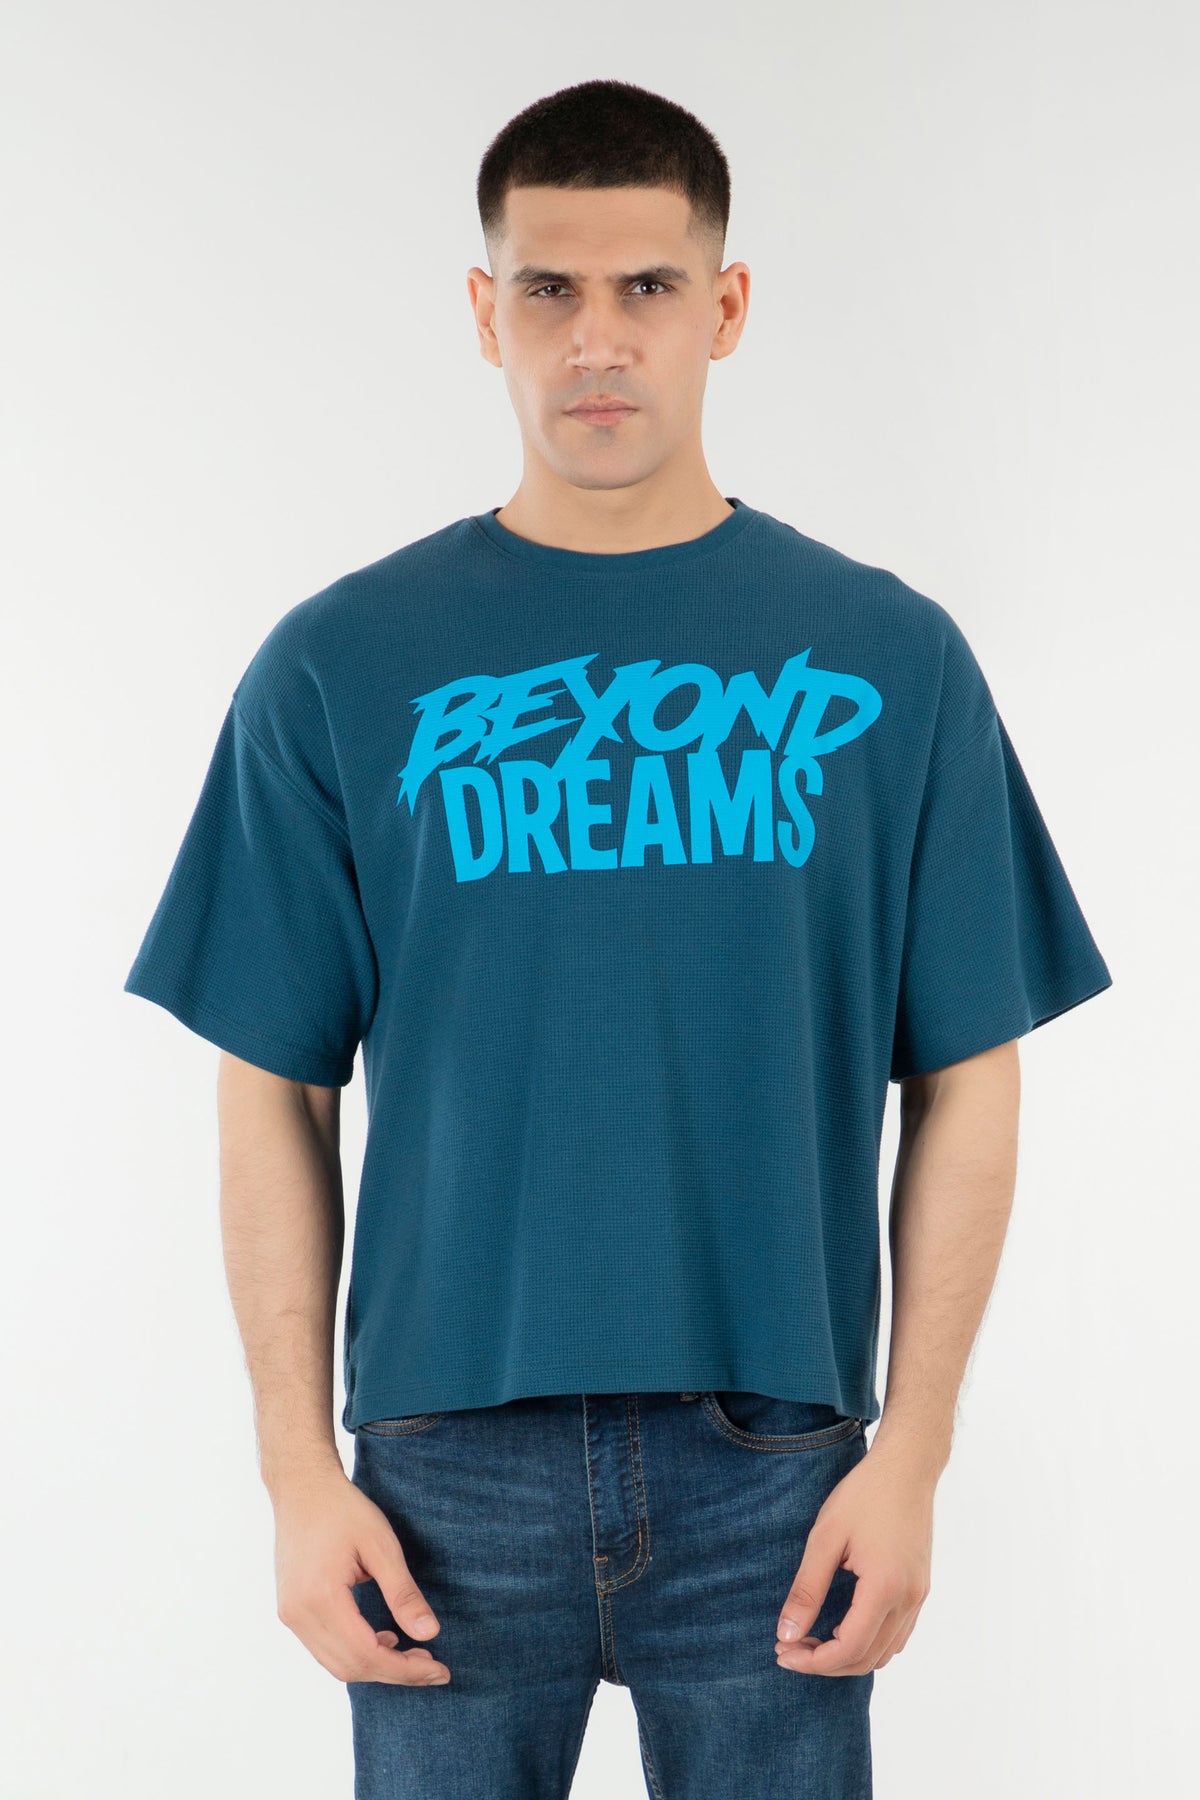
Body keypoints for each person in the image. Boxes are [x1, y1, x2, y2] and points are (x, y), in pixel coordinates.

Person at [123, 77, 1113, 1800]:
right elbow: (271, 1086)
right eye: (549, 290)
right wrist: (294, 1475)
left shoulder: (891, 658)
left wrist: (914, 1460)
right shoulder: (339, 665)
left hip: (778, 1465)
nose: (597, 338)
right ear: (483, 311)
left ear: (725, 307)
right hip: (441, 1470)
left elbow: (971, 1073)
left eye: (647, 286)